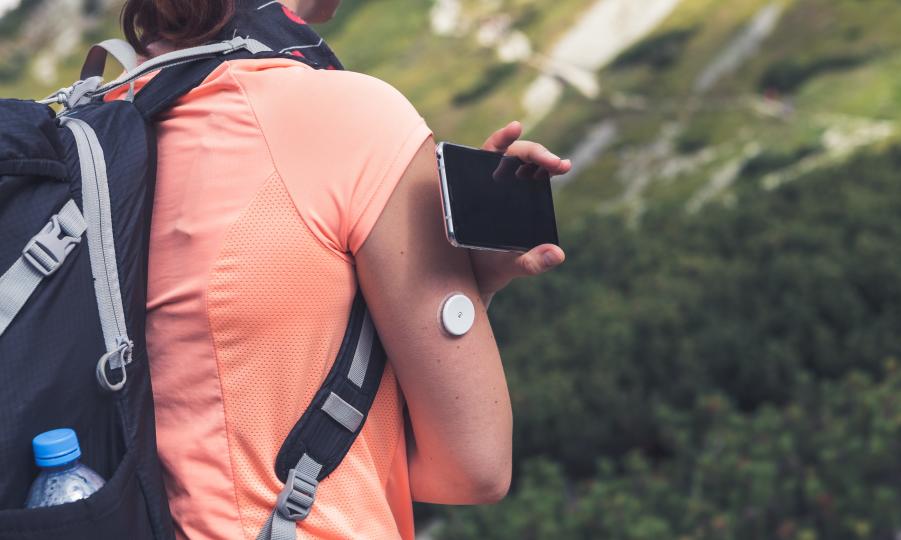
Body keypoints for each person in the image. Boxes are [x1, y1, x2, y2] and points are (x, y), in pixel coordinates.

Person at [118, 0, 570, 538]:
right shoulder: (352, 117)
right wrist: (461, 288)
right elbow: (474, 469)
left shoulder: (111, 116)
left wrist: (471, 282)